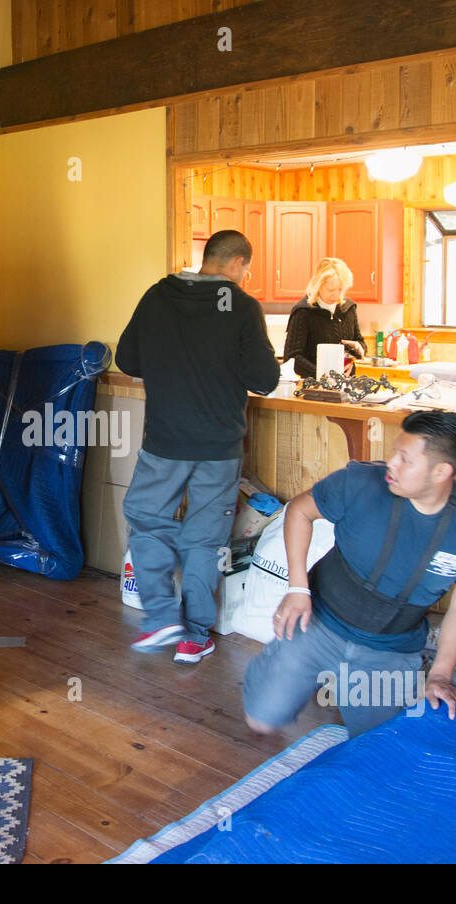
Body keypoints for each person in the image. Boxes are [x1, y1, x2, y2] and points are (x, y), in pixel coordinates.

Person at [243, 410, 456, 735]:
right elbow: (299, 511)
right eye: (395, 452)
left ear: (441, 472)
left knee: (379, 746)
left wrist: (440, 674)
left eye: (405, 459)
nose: (391, 464)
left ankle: (348, 688)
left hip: (388, 650)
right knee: (261, 718)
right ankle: (299, 675)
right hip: (319, 624)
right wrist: (298, 588)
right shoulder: (361, 482)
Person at [117, 229, 281, 663]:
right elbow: (264, 379)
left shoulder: (158, 295)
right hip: (218, 446)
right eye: (247, 269)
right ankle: (192, 636)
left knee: (147, 518)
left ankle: (161, 616)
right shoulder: (242, 308)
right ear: (238, 264)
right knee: (204, 540)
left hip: (164, 440)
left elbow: (127, 360)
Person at [282, 257, 366, 378]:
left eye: (341, 289)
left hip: (347, 385)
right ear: (318, 285)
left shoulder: (348, 308)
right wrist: (323, 374)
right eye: (331, 290)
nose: (336, 294)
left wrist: (359, 350)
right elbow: (292, 358)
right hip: (313, 388)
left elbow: (359, 341)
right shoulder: (303, 312)